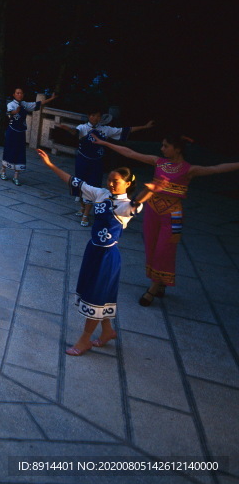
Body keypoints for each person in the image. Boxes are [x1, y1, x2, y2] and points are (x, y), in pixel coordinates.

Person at [36, 149, 159, 355]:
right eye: (110, 179)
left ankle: (84, 340)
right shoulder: (100, 194)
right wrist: (50, 165)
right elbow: (74, 181)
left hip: (107, 256)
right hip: (93, 250)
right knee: (97, 294)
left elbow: (137, 203)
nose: (111, 183)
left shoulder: (125, 206)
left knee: (95, 297)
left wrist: (151, 191)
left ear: (128, 184)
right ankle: (108, 331)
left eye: (117, 181)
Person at [94, 133, 239, 305]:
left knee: (165, 249)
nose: (161, 149)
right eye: (162, 145)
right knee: (152, 246)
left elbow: (217, 168)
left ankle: (153, 289)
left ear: (177, 149)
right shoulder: (158, 162)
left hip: (173, 214)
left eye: (165, 146)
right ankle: (160, 283)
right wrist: (104, 143)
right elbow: (130, 153)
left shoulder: (189, 169)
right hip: (152, 210)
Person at [54, 112, 154, 226]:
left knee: (93, 186)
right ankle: (82, 207)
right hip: (82, 161)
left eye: (98, 116)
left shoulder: (105, 129)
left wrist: (144, 127)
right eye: (93, 115)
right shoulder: (82, 127)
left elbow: (124, 130)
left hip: (97, 163)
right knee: (80, 186)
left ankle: (86, 214)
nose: (95, 118)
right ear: (88, 116)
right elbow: (75, 132)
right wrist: (66, 128)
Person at [0, 88, 58, 185]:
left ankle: (16, 176)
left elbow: (39, 103)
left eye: (21, 93)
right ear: (14, 94)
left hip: (21, 132)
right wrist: (15, 111)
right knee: (9, 150)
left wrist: (51, 98)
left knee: (20, 152)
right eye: (17, 93)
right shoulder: (11, 104)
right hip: (12, 131)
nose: (19, 94)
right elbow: (10, 113)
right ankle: (3, 170)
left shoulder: (25, 104)